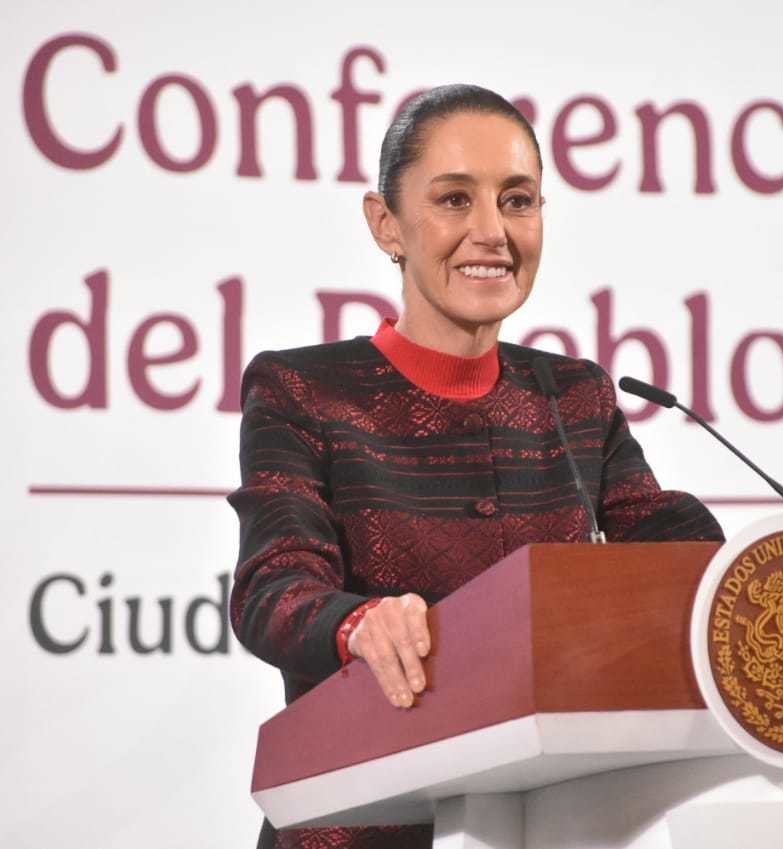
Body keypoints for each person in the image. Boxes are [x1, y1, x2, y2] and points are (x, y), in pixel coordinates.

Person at [227, 83, 724, 849]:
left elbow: (669, 549)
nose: (492, 231)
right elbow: (275, 586)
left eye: (518, 200)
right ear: (386, 225)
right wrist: (361, 621)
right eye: (455, 200)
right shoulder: (304, 391)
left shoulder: (575, 396)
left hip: (553, 823)